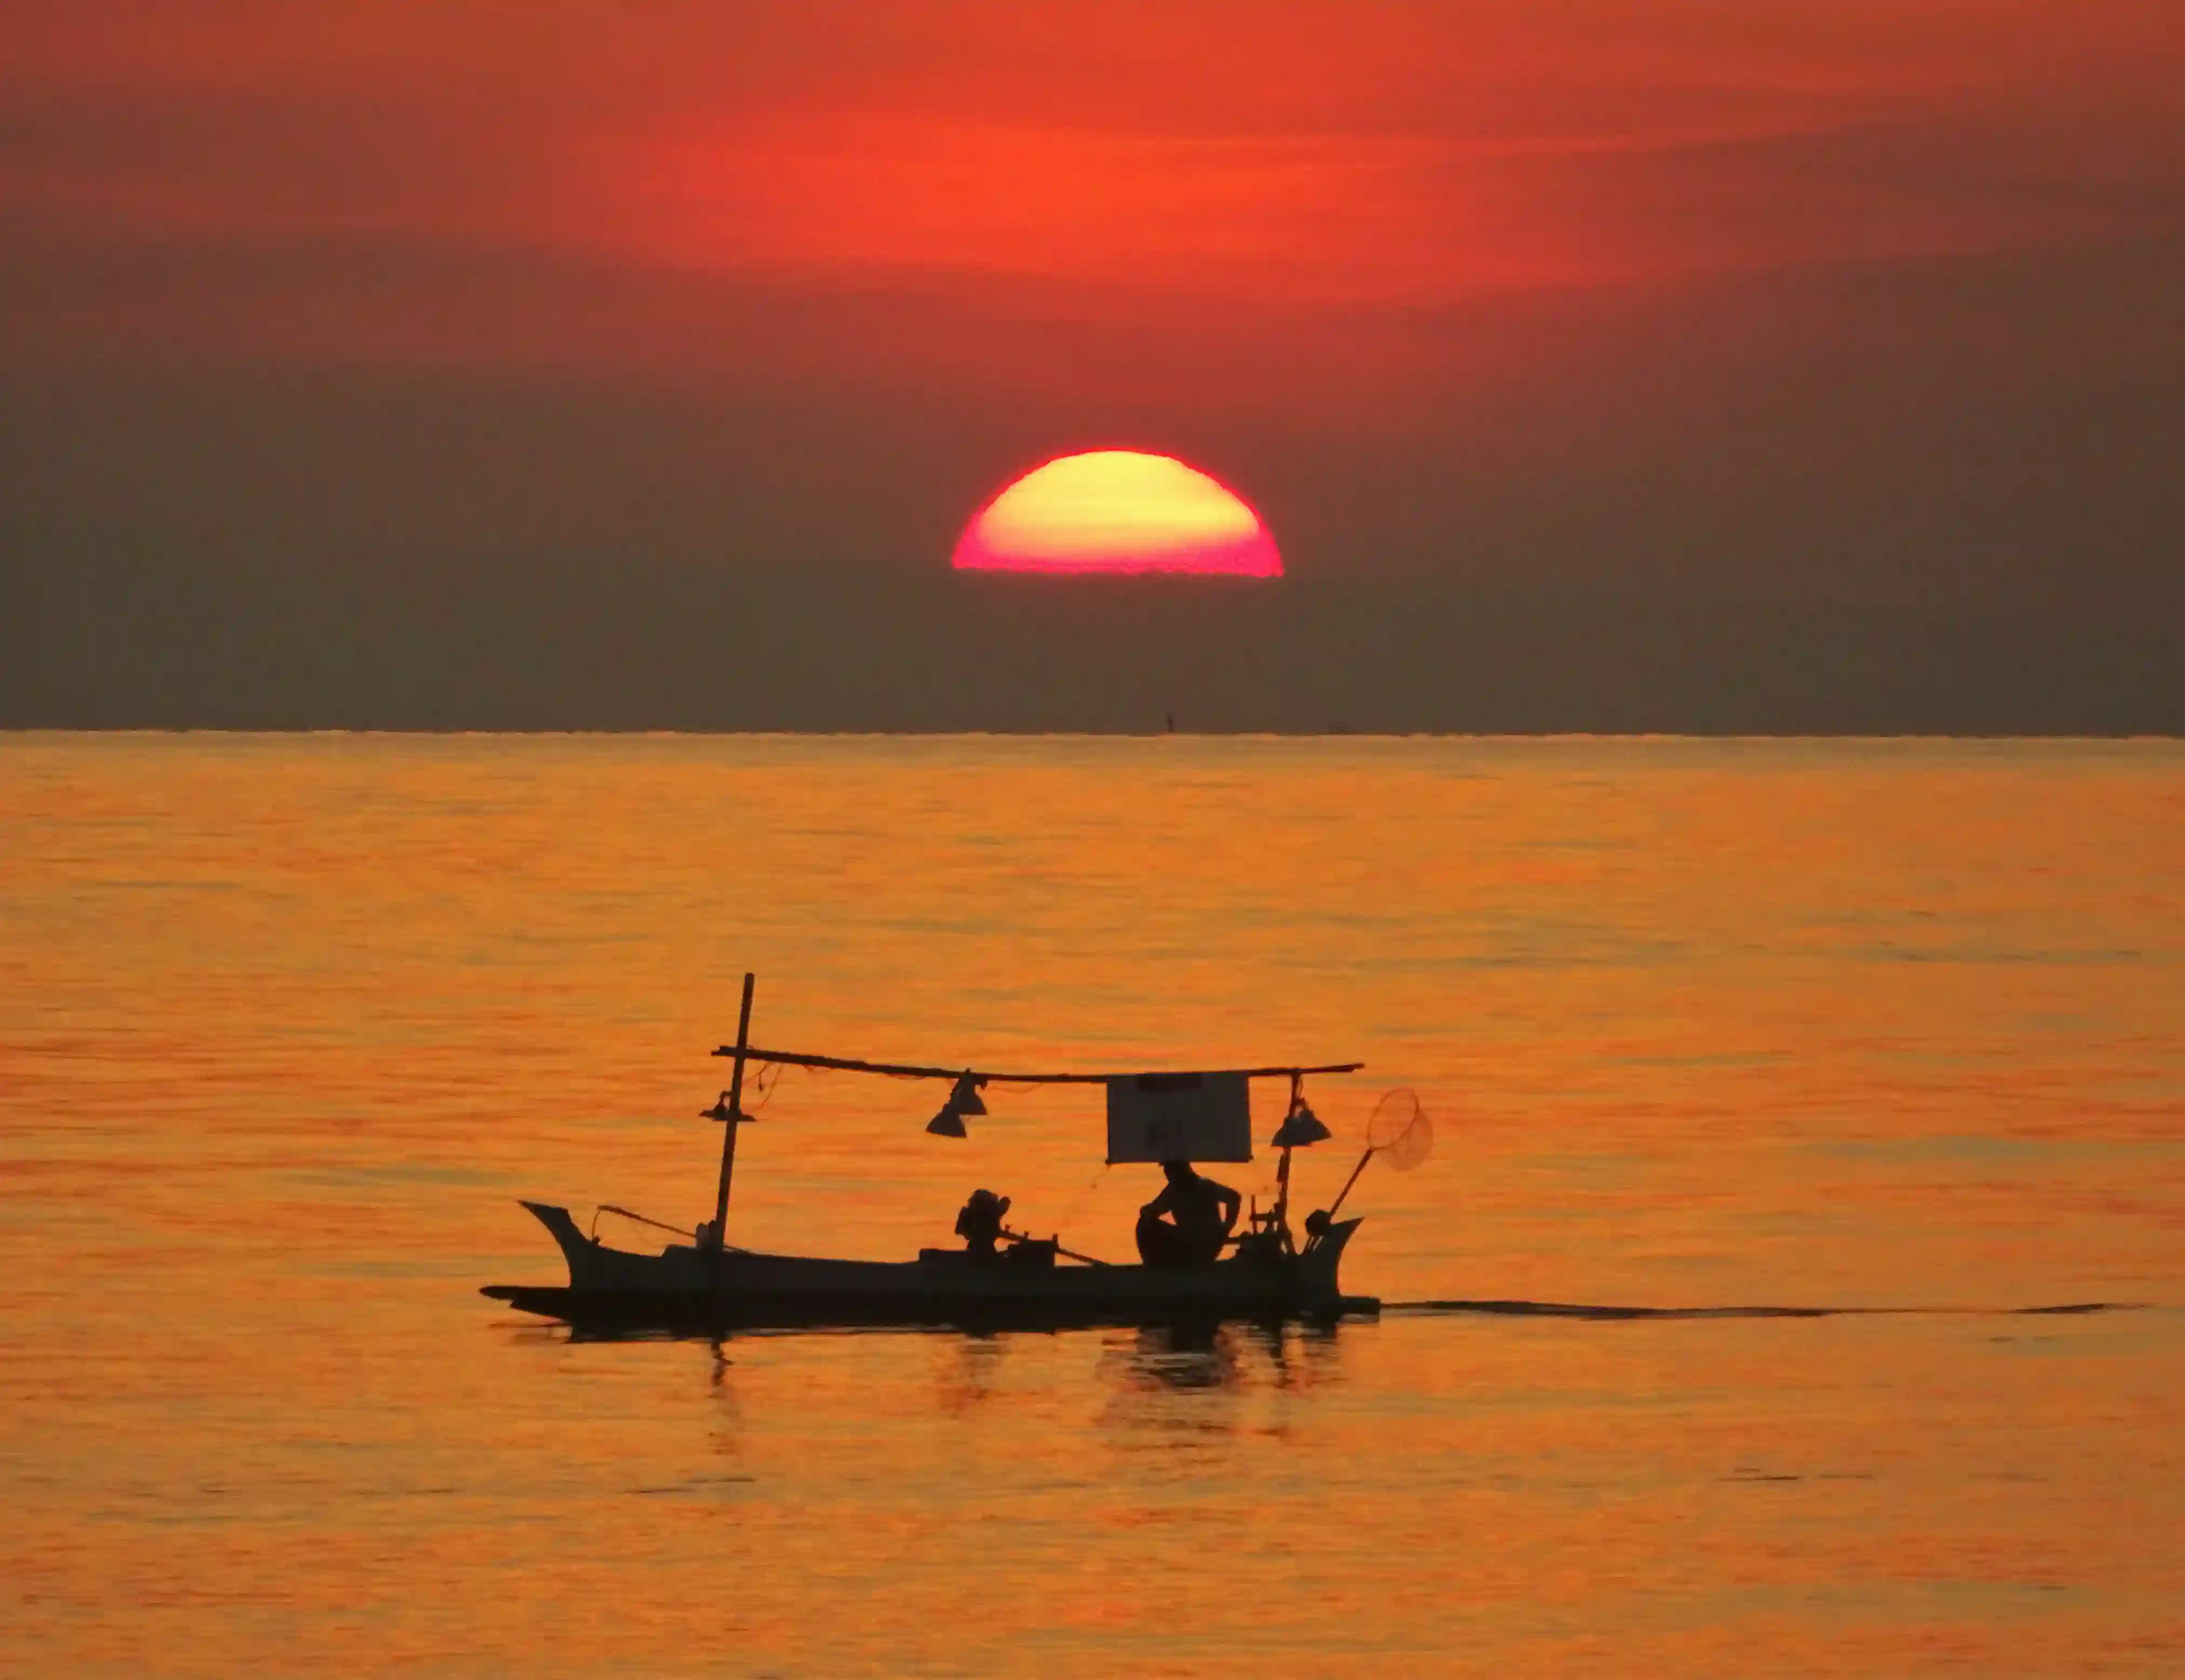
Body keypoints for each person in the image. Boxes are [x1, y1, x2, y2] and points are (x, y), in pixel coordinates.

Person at [1135, 1161, 1241, 1268]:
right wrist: (1226, 1228)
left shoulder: (1202, 1188)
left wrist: (1226, 1228)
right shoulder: (1177, 1190)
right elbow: (1155, 1209)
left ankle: (1157, 1264)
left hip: (1200, 1245)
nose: (1168, 1177)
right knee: (1146, 1223)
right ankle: (1159, 1262)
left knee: (1145, 1224)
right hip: (1194, 1242)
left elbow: (1234, 1197)